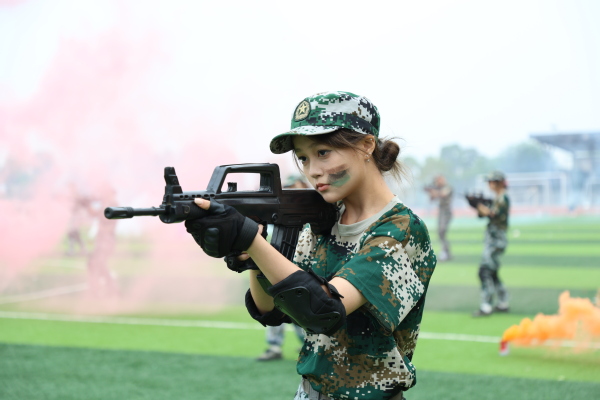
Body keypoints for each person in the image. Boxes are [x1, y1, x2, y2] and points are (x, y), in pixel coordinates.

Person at [184, 91, 437, 399]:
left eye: (323, 152)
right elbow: (270, 309)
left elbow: (322, 310)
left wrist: (250, 238)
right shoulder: (324, 220)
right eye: (303, 158)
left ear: (366, 145)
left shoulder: (401, 229)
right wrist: (252, 252)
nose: (312, 170)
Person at [257, 175, 308, 361]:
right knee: (275, 305)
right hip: (278, 267)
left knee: (300, 310)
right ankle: (274, 347)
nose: (291, 192)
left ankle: (309, 345)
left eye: (294, 187)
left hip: (303, 270)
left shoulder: (312, 213)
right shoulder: (280, 212)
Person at [473, 171, 510, 317]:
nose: (489, 184)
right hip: (494, 238)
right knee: (492, 272)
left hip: (496, 239)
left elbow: (492, 214)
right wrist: (478, 206)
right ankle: (503, 302)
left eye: (491, 181)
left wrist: (478, 205)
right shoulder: (498, 198)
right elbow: (482, 215)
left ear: (498, 182)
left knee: (485, 271)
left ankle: (486, 306)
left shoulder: (503, 198)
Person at [424, 175, 453, 261]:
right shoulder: (438, 188)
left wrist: (434, 191)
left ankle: (445, 252)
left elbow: (443, 194)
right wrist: (431, 192)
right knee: (440, 232)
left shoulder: (447, 187)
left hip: (446, 211)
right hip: (441, 211)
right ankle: (446, 251)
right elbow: (432, 199)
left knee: (442, 231)